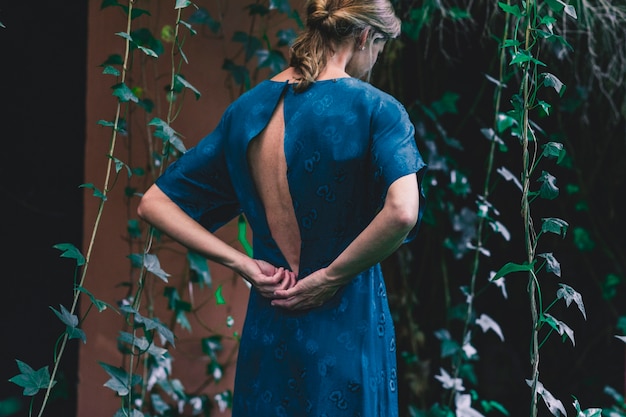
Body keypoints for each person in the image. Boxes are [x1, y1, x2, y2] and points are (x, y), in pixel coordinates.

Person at [137, 0, 427, 415]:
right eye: (381, 47)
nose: (377, 59)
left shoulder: (245, 111)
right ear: (366, 36)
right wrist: (330, 277)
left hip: (270, 321)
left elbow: (153, 203)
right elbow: (403, 212)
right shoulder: (377, 109)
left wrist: (242, 264)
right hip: (345, 321)